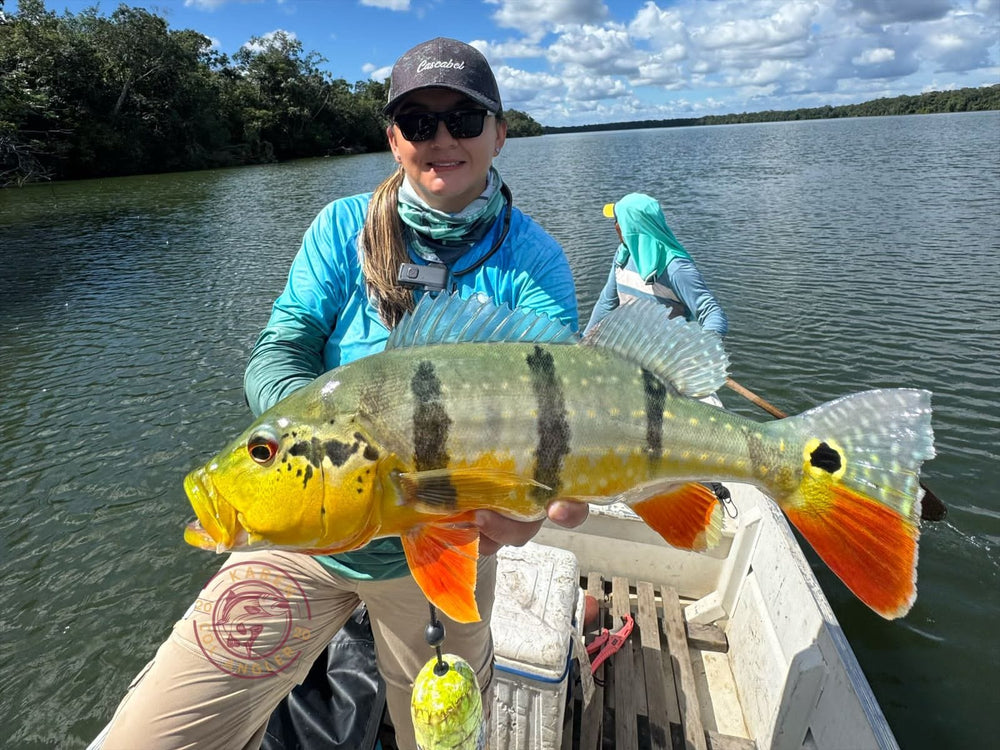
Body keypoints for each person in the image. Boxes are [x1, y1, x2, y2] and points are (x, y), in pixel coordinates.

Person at [97, 37, 587, 750]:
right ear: (393, 137)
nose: (441, 139)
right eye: (418, 122)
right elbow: (280, 348)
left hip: (442, 550)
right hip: (301, 544)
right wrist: (317, 434)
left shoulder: (532, 260)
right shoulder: (339, 230)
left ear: (500, 133)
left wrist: (532, 506)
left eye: (464, 119)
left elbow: (553, 411)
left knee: (445, 735)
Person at [585, 192, 728, 337]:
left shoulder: (676, 268)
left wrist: (704, 350)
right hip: (631, 348)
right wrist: (583, 342)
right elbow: (606, 303)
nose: (615, 225)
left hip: (668, 354)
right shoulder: (622, 256)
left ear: (626, 227)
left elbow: (711, 313)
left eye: (617, 220)